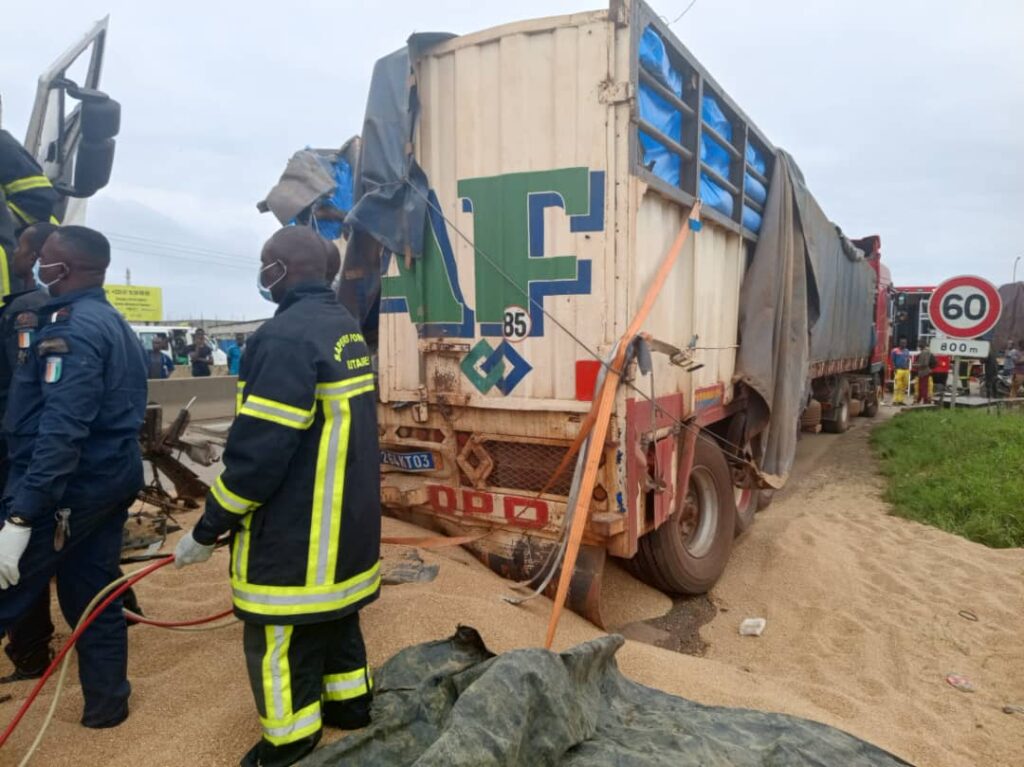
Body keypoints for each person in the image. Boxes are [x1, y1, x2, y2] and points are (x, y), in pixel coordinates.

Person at [175, 227, 380, 767]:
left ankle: (290, 741)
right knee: (338, 621)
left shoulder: (284, 338)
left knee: (278, 642)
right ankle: (351, 708)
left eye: (265, 263)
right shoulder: (342, 328)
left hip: (298, 538)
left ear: (279, 269)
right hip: (347, 531)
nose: (262, 272)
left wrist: (207, 527)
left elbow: (258, 456)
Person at [0, 226, 147, 728]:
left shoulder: (74, 330)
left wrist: (22, 514)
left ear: (70, 268)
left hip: (67, 488)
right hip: (106, 481)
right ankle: (106, 709)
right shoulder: (109, 321)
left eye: (46, 258)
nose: (38, 264)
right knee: (94, 595)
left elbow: (62, 430)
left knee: (7, 589)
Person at [0, 222, 59, 682]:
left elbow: (24, 393)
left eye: (20, 249)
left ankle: (31, 652)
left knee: (22, 555)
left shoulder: (29, 311)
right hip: (32, 454)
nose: (14, 257)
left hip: (22, 456)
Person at [890, 338, 911, 405]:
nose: (904, 344)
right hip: (899, 370)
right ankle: (895, 401)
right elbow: (892, 360)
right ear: (900, 343)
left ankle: (901, 400)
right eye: (903, 343)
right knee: (897, 386)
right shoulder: (895, 351)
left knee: (904, 386)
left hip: (906, 370)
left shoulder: (907, 351)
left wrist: (907, 367)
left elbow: (908, 359)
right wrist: (894, 368)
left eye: (905, 343)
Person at [915, 340, 934, 404]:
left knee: (923, 387)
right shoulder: (927, 351)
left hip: (924, 372)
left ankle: (925, 401)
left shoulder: (924, 352)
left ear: (923, 344)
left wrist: (915, 365)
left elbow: (925, 364)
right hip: (924, 372)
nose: (918, 345)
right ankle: (919, 400)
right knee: (921, 387)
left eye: (919, 343)